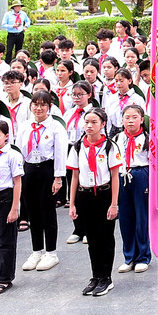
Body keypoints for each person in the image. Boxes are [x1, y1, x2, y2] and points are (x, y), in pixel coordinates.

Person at [67, 106, 122, 296]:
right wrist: (72, 203)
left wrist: (114, 204)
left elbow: (115, 176)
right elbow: (75, 176)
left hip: (104, 194)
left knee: (105, 236)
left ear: (103, 124)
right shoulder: (77, 146)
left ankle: (106, 277)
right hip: (85, 195)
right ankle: (95, 275)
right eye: (87, 122)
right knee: (91, 238)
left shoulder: (109, 146)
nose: (89, 126)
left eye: (94, 122)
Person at [19, 91, 66, 273]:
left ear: (49, 107)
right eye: (35, 104)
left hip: (47, 169)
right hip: (29, 170)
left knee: (47, 212)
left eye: (43, 105)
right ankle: (36, 250)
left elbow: (60, 153)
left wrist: (58, 177)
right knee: (32, 212)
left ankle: (51, 252)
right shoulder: (25, 126)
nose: (38, 108)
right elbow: (19, 150)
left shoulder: (55, 127)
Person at [114, 105, 153, 273]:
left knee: (141, 217)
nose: (130, 120)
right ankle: (129, 256)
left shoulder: (147, 139)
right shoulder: (117, 139)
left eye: (134, 117)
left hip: (140, 174)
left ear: (141, 119)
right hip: (122, 176)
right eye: (127, 117)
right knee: (125, 218)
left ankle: (143, 256)